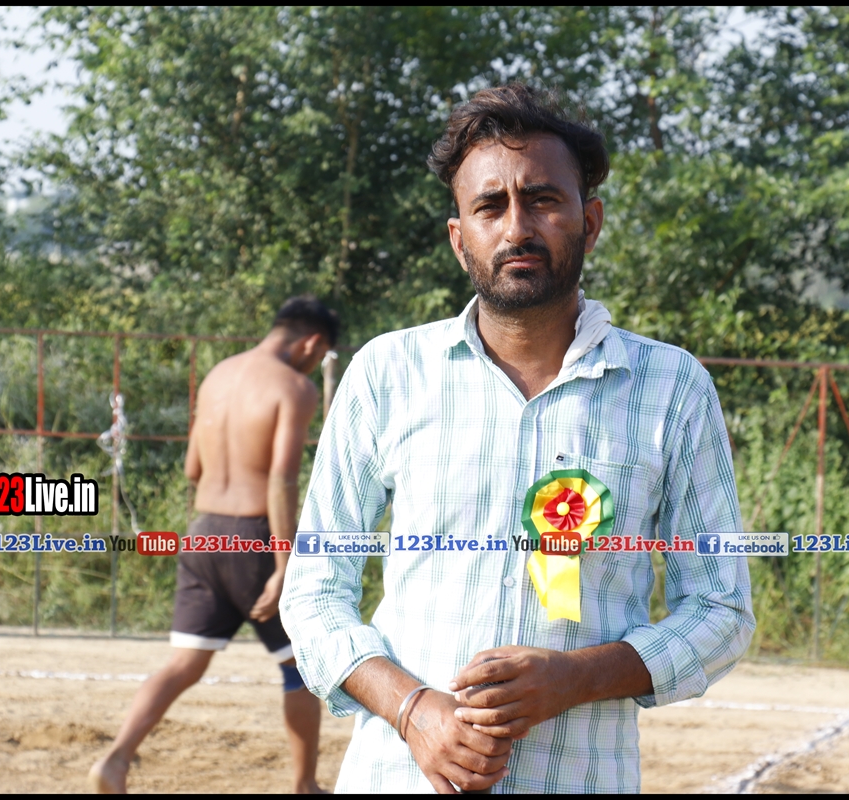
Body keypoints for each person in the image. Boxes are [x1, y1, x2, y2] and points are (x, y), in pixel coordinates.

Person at [281, 85, 754, 794]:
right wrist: (413, 711)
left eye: (542, 200)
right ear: (458, 237)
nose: (516, 228)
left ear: (590, 222)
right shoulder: (388, 373)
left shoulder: (670, 386)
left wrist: (575, 677)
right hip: (397, 777)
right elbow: (314, 590)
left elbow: (720, 609)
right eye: (490, 206)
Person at [89, 295, 337, 794]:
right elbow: (281, 481)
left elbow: (192, 468)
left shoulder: (217, 376)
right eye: (319, 356)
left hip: (203, 534)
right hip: (254, 539)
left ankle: (115, 759)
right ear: (312, 344)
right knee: (299, 667)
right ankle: (305, 785)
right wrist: (284, 564)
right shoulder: (294, 388)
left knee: (184, 663)